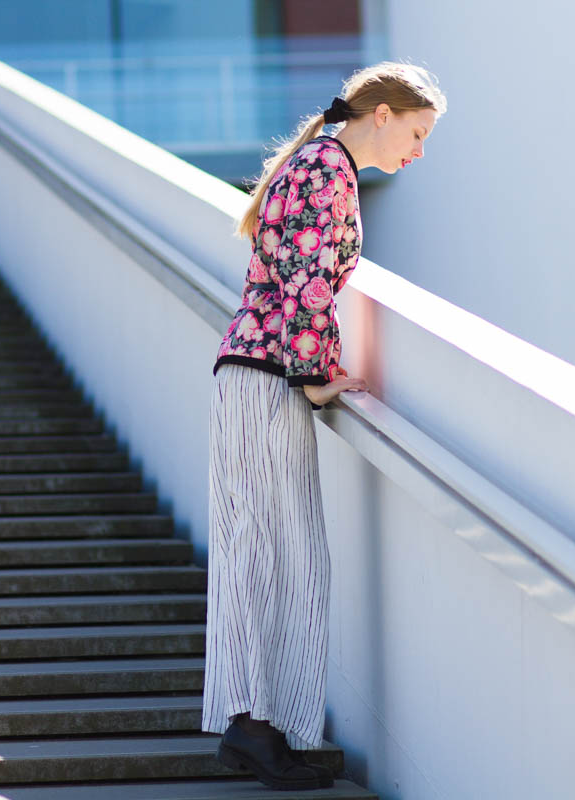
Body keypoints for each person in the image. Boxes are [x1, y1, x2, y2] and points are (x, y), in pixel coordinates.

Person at [204, 62, 446, 791]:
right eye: (416, 131)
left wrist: (312, 374)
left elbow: (300, 279)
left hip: (264, 374)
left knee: (289, 553)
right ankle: (252, 725)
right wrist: (315, 377)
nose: (418, 151)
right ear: (382, 114)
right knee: (265, 550)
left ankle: (269, 723)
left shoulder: (321, 165)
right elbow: (307, 282)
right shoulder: (325, 170)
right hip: (266, 375)